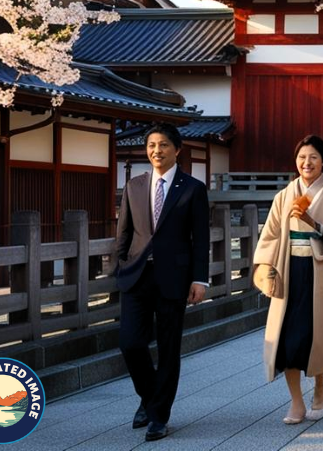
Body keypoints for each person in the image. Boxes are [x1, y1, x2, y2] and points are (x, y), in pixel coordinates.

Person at [114, 123, 210, 442]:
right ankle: (150, 396)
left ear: (177, 150)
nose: (157, 150)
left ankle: (158, 416)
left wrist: (199, 279)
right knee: (131, 343)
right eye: (152, 145)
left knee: (169, 349)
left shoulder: (193, 188)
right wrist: (120, 265)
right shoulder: (134, 186)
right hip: (137, 275)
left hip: (174, 279)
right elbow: (124, 233)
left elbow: (201, 240)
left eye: (164, 145)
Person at [252, 135, 323, 424]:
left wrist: (313, 224)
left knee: (314, 337)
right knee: (287, 339)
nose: (306, 163)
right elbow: (270, 234)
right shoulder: (283, 196)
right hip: (288, 271)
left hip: (317, 272)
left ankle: (320, 383)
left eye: (313, 157)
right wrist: (265, 268)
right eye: (301, 157)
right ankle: (296, 402)